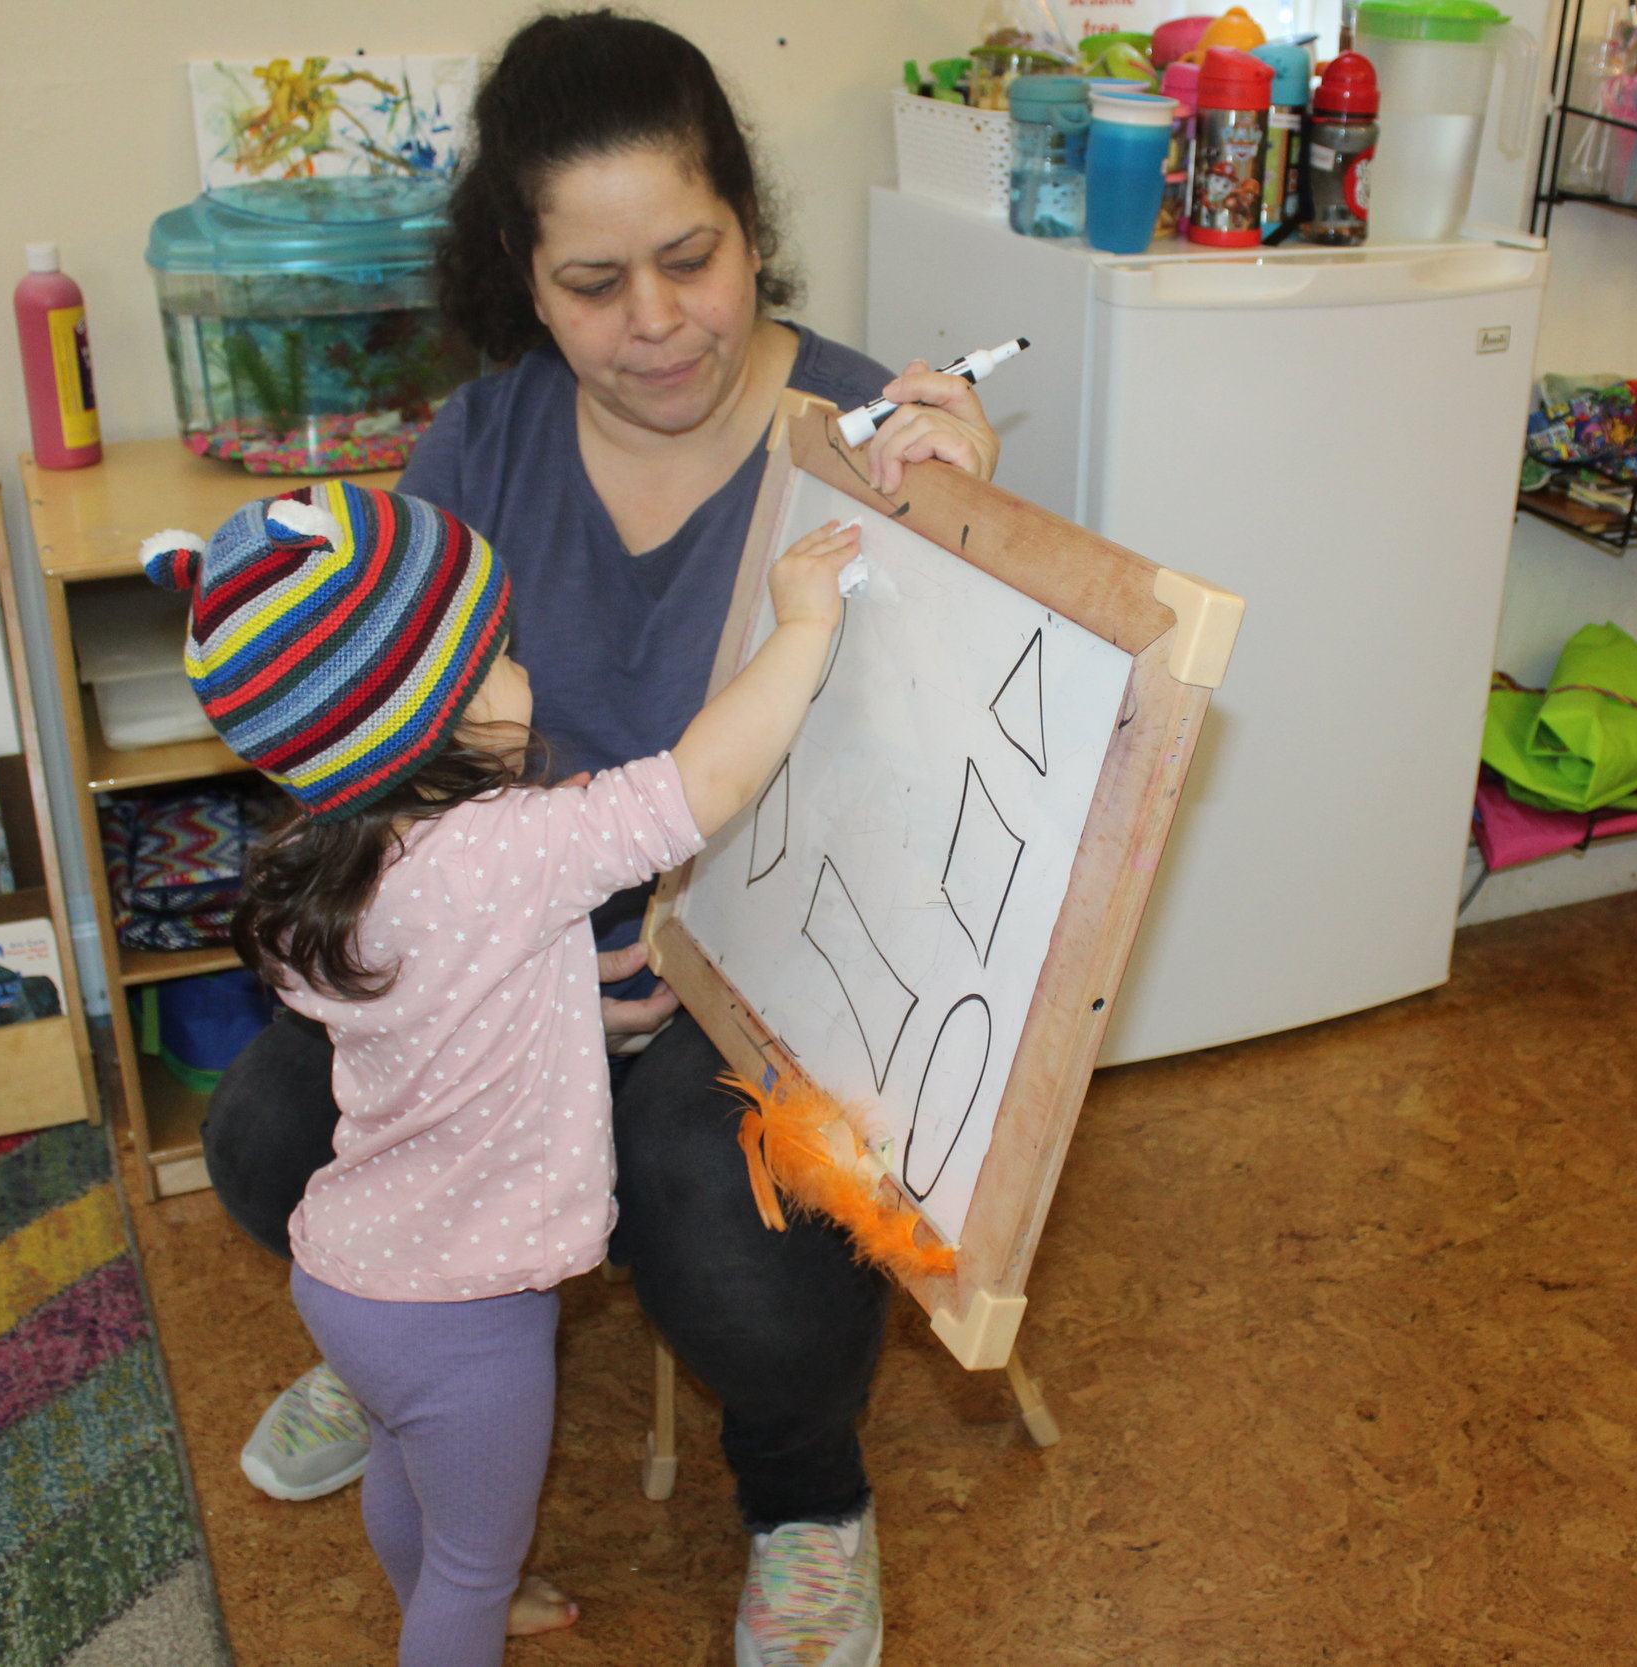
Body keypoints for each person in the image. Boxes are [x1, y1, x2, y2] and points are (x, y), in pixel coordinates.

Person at [201, 12, 998, 1667]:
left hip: (756, 993)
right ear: (521, 268)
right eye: (591, 284)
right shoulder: (480, 442)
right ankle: (405, 1342)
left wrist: (972, 529)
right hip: (503, 965)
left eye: (691, 260)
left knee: (745, 1230)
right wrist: (514, 958)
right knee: (272, 1122)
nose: (655, 327)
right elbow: (365, 756)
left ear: (753, 228)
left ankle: (805, 1497)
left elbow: (959, 784)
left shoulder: (861, 442)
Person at [154, 480, 858, 1666]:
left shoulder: (315, 873)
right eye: (499, 653)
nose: (523, 670)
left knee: (409, 1471)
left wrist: (551, 998)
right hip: (463, 1308)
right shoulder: (516, 849)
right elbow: (704, 783)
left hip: (349, 1276)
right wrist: (803, 627)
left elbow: (433, 994)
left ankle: (436, 1584)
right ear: (440, 713)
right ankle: (457, 1608)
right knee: (476, 1568)